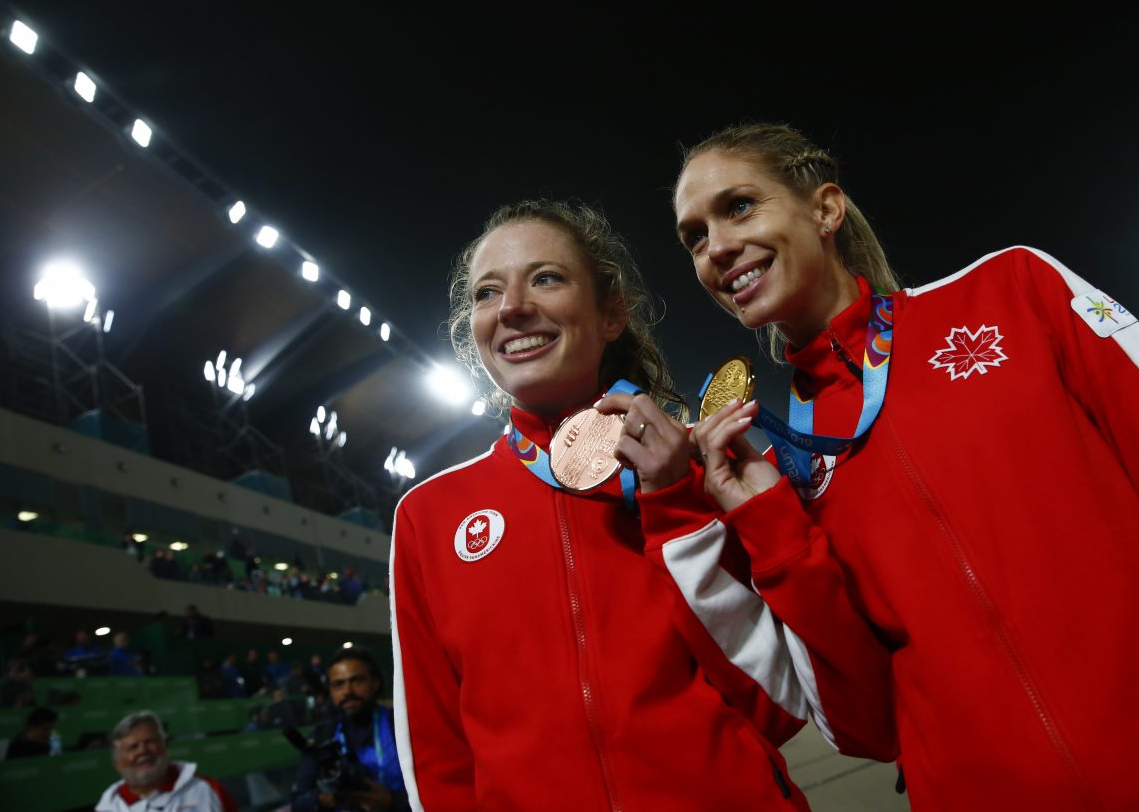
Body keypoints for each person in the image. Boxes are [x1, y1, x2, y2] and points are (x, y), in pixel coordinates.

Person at [662, 121, 1139, 809]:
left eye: (738, 206)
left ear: (825, 209)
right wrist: (769, 524)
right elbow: (865, 725)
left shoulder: (1013, 293)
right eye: (695, 237)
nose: (717, 249)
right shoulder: (781, 456)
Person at [390, 200, 812, 810]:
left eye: (546, 277)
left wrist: (676, 507)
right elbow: (437, 754)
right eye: (487, 292)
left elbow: (781, 705)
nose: (511, 307)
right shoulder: (430, 514)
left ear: (611, 312)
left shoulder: (705, 468)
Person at [290, 649, 405, 812]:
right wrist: (321, 799)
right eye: (338, 684)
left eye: (357, 681)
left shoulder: (402, 726)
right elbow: (298, 802)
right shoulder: (322, 735)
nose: (347, 691)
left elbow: (434, 789)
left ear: (375, 682)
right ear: (330, 691)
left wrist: (393, 800)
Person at [95, 711, 236, 812]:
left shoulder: (207, 789)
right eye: (133, 747)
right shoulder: (107, 807)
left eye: (150, 742)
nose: (143, 751)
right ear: (117, 763)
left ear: (165, 746)